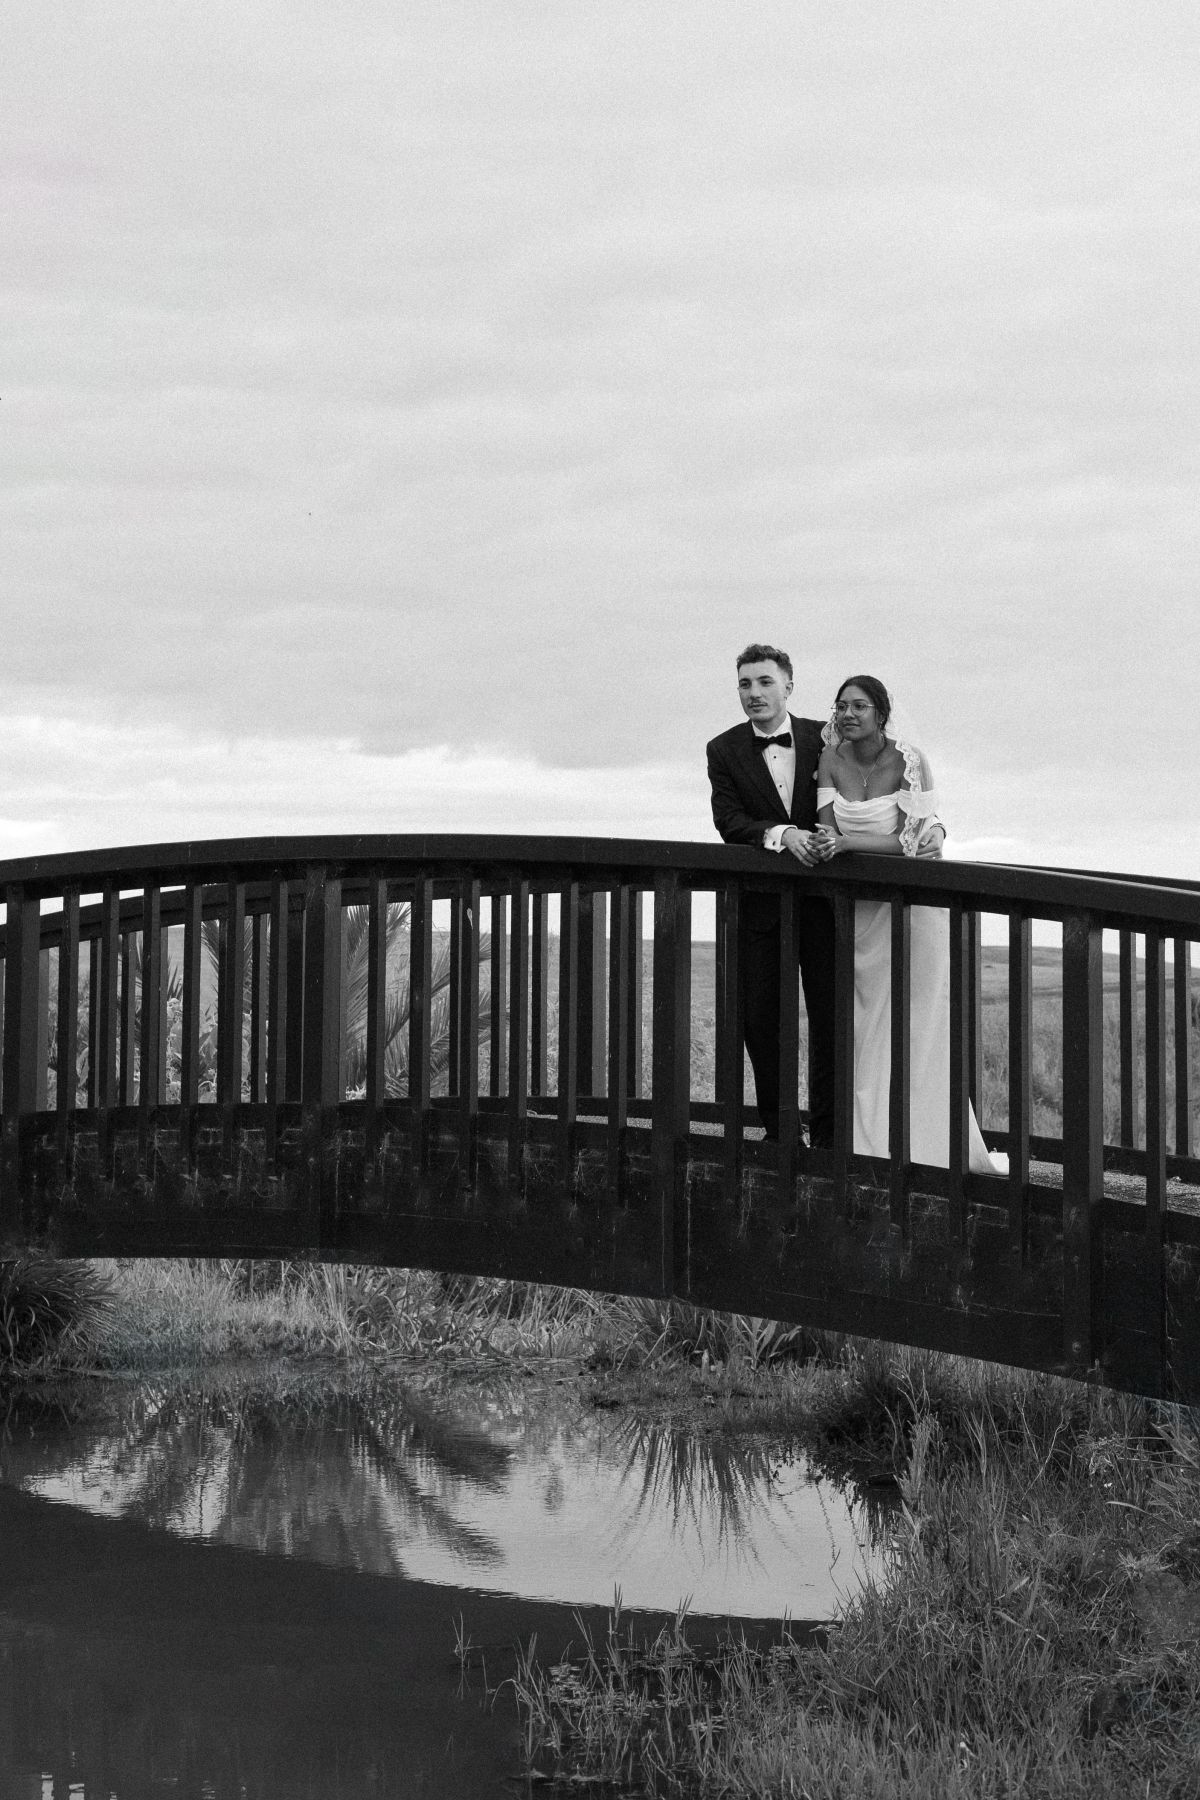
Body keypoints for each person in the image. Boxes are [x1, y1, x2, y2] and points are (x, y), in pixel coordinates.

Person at [812, 674, 1003, 1173]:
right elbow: (826, 828)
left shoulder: (910, 760)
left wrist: (848, 846)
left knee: (920, 1019)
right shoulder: (829, 758)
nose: (847, 714)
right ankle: (870, 1139)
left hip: (916, 909)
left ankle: (927, 1143)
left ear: (881, 712)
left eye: (859, 706)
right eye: (841, 706)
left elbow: (912, 841)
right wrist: (833, 844)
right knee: (868, 1021)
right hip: (862, 912)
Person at [706, 644, 835, 1144]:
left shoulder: (825, 737)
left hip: (826, 905)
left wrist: (931, 825)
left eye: (764, 682)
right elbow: (729, 821)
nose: (754, 693)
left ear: (789, 686)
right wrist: (783, 834)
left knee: (831, 1019)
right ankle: (781, 1134)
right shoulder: (723, 749)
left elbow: (879, 780)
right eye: (745, 684)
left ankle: (828, 1135)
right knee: (761, 1020)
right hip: (760, 907)